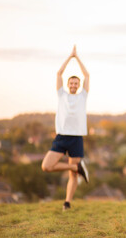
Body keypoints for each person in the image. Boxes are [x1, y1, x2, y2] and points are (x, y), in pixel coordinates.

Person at [41, 45, 90, 211]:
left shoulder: (83, 95)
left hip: (76, 138)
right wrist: (70, 57)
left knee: (73, 176)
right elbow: (58, 74)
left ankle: (67, 203)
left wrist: (78, 58)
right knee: (46, 166)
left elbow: (87, 75)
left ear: (79, 85)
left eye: (76, 83)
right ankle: (76, 166)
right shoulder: (61, 94)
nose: (74, 85)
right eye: (72, 82)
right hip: (62, 137)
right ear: (68, 84)